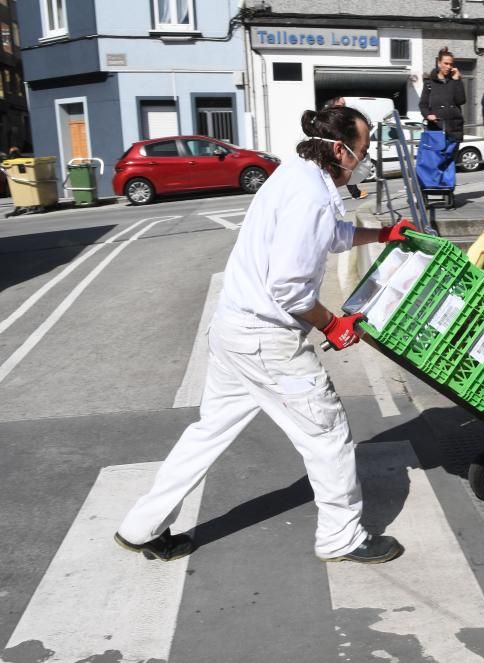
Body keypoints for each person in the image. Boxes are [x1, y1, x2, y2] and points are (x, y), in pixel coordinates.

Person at [114, 105, 417, 565]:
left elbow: (329, 235)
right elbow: (289, 288)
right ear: (339, 149)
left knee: (208, 431)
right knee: (326, 432)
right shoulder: (311, 195)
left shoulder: (296, 173)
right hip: (266, 339)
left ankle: (140, 527)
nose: (365, 156)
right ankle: (342, 537)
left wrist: (381, 234)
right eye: (362, 148)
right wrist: (332, 324)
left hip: (233, 328)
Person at [419, 47, 466, 152]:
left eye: (451, 64)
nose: (449, 67)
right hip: (437, 130)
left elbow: (461, 100)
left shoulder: (455, 80)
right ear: (439, 63)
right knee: (437, 163)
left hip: (454, 130)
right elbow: (423, 104)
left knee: (451, 164)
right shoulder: (429, 83)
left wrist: (457, 80)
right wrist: (428, 115)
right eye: (446, 63)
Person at [324, 96, 368, 199]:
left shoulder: (340, 118)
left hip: (340, 150)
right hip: (334, 151)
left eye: (344, 105)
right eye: (341, 105)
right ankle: (354, 193)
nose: (344, 107)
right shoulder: (331, 119)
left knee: (347, 170)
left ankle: (355, 193)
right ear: (333, 105)